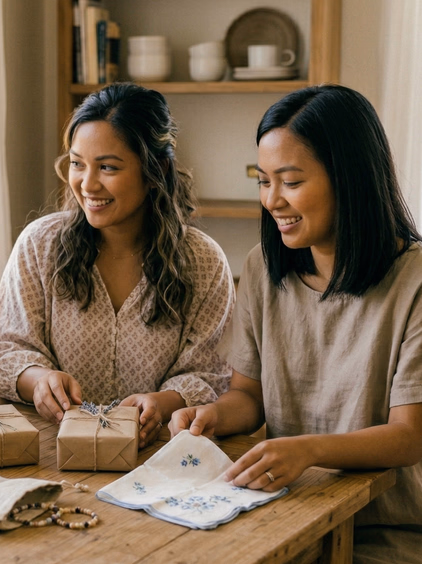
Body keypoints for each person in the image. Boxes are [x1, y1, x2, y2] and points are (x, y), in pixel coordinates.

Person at [169, 84, 422, 563]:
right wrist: (212, 416)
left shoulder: (414, 282)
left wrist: (305, 450)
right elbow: (249, 397)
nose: (272, 200)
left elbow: (410, 435)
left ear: (350, 178)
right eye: (263, 181)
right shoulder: (265, 268)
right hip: (284, 516)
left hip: (383, 531)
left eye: (290, 181)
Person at [0, 83, 234, 449]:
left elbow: (210, 373)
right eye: (77, 164)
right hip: (49, 453)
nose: (87, 184)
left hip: (158, 455)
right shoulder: (40, 245)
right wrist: (38, 379)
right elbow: (5, 350)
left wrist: (161, 404)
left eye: (108, 167)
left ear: (155, 170)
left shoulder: (203, 262)